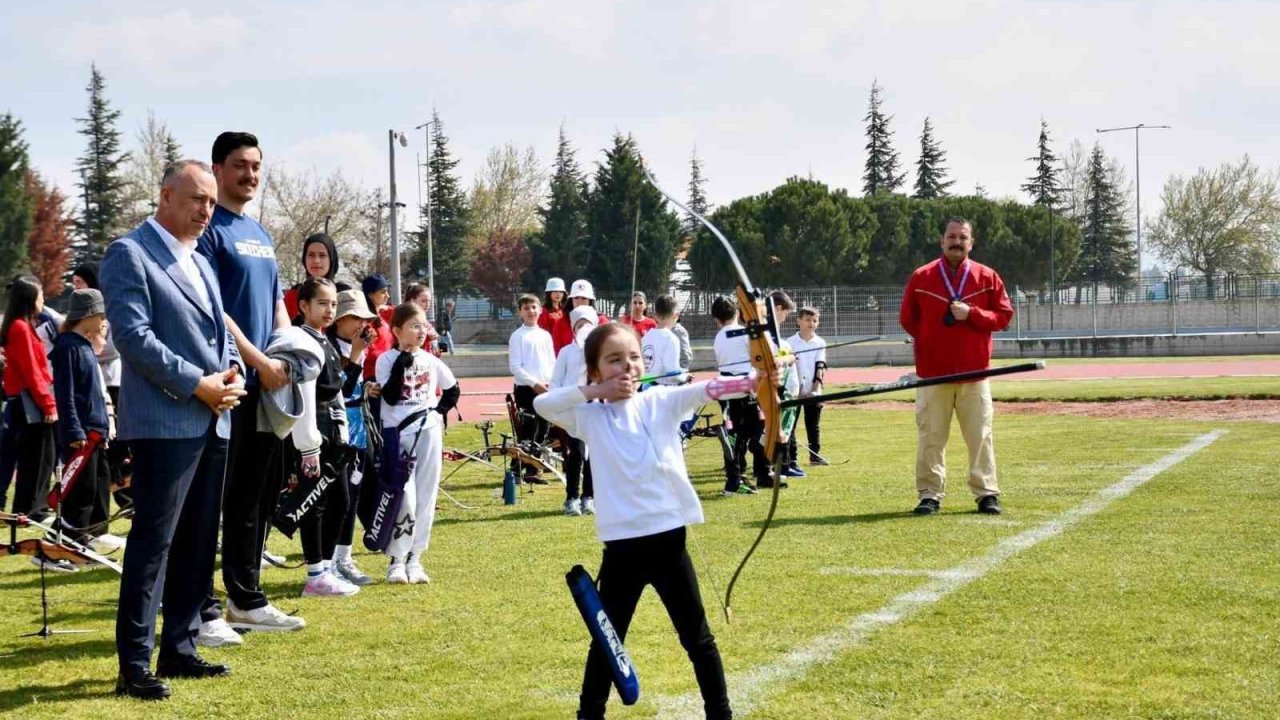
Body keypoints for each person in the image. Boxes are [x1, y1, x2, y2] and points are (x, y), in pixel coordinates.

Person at [533, 323, 749, 720]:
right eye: (613, 360)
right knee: (607, 640)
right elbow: (543, 406)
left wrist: (760, 378)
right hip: (623, 548)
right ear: (595, 370)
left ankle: (721, 714)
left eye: (633, 357)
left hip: (669, 540)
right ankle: (589, 713)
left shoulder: (660, 401)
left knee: (697, 639)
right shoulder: (588, 417)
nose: (627, 367)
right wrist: (597, 392)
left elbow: (710, 389)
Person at [105, 159, 246, 700]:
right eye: (196, 200)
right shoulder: (130, 253)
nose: (206, 211)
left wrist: (230, 380)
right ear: (165, 196)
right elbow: (134, 339)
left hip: (215, 420)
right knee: (153, 545)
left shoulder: (202, 262)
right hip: (167, 422)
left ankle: (181, 649)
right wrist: (197, 385)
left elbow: (221, 333)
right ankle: (134, 664)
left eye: (211, 202)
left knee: (196, 541)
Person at [196, 131, 301, 646]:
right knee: (214, 498)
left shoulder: (258, 231)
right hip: (231, 383)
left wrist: (283, 350)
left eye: (257, 165)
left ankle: (247, 598)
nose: (251, 174)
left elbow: (276, 300)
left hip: (268, 384)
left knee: (253, 498)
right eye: (240, 165)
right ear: (218, 170)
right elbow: (217, 310)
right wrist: (257, 360)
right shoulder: (209, 229)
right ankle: (201, 607)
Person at [899, 218, 1014, 516]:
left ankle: (986, 493)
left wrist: (972, 314)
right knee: (931, 437)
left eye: (963, 237)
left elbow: (1003, 316)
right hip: (933, 376)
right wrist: (931, 342)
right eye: (951, 236)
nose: (956, 242)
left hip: (974, 374)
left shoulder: (987, 277)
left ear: (971, 243)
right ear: (941, 241)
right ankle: (929, 494)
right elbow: (907, 319)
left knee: (980, 437)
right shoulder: (922, 277)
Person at [279, 278, 363, 597]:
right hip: (312, 433)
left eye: (333, 304)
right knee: (313, 502)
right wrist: (308, 446)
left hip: (331, 431)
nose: (329, 311)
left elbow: (336, 390)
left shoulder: (323, 339)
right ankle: (315, 573)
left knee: (340, 500)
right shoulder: (301, 340)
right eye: (322, 304)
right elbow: (304, 394)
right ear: (303, 306)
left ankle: (325, 568)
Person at [376, 302, 459, 584]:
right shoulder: (386, 360)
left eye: (424, 325)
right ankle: (396, 559)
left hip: (429, 433)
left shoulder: (432, 360)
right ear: (397, 330)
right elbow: (389, 395)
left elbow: (452, 389)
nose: (421, 331)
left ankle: (416, 558)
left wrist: (438, 412)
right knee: (404, 497)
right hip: (399, 434)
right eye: (414, 326)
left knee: (426, 496)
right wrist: (404, 359)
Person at [50, 289, 121, 552]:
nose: (105, 321)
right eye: (102, 315)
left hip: (95, 432)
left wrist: (103, 427)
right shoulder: (67, 346)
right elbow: (65, 394)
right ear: (89, 315)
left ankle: (87, 540)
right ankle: (63, 549)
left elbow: (95, 393)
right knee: (79, 493)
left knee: (95, 487)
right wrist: (74, 430)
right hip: (80, 435)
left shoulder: (85, 345)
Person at [326, 289, 377, 585]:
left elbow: (354, 387)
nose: (362, 324)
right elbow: (339, 392)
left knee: (354, 497)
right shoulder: (331, 347)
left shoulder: (354, 345)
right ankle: (328, 561)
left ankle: (344, 557)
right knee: (339, 500)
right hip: (338, 431)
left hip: (359, 428)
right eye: (355, 317)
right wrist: (356, 354)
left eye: (365, 318)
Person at [1, 276, 57, 526]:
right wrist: (48, 404)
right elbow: (32, 371)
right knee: (37, 456)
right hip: (29, 402)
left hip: (26, 399)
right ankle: (32, 508)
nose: (43, 299)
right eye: (40, 294)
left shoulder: (21, 326)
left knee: (33, 456)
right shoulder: (20, 328)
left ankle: (29, 506)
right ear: (29, 299)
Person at [549, 305, 598, 516]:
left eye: (587, 324)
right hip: (574, 411)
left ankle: (589, 497)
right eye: (579, 324)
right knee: (576, 454)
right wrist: (560, 404)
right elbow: (555, 382)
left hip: (596, 410)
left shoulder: (600, 353)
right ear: (573, 327)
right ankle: (571, 498)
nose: (583, 328)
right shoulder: (566, 352)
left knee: (593, 457)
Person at [711, 295, 762, 496]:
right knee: (742, 436)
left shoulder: (719, 336)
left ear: (717, 319)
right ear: (738, 313)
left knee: (734, 436)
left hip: (726, 393)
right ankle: (734, 481)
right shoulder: (743, 333)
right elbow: (757, 358)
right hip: (743, 392)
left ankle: (736, 477)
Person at [507, 294, 555, 485]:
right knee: (527, 429)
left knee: (542, 429)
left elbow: (551, 362)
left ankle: (533, 469)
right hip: (526, 389)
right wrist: (534, 384)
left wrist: (552, 382)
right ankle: (517, 468)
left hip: (545, 387)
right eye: (526, 308)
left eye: (534, 307)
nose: (530, 312)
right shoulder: (517, 336)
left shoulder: (545, 335)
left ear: (540, 309)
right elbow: (515, 367)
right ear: (520, 312)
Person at [787, 307, 828, 466]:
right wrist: (795, 390)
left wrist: (816, 390)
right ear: (798, 321)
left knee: (813, 425)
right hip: (794, 391)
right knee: (791, 426)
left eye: (814, 320)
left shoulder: (820, 342)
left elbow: (820, 366)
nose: (811, 323)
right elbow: (790, 367)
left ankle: (815, 456)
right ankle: (792, 458)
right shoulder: (789, 343)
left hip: (813, 390)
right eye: (807, 319)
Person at [283, 232, 347, 319]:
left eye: (322, 255)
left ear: (331, 259)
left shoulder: (344, 295)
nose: (316, 260)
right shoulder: (294, 295)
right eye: (311, 255)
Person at [641, 294, 686, 386]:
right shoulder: (671, 339)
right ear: (676, 315)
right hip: (663, 392)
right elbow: (673, 375)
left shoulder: (646, 337)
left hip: (646, 389)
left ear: (655, 316)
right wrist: (685, 376)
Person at [403, 283, 441, 356]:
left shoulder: (426, 321)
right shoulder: (407, 320)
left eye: (429, 301)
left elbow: (437, 351)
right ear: (412, 301)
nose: (427, 304)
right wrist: (426, 336)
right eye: (423, 301)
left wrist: (435, 343)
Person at [539, 277, 574, 354]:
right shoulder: (543, 312)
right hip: (550, 348)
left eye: (561, 292)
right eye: (555, 291)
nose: (558, 294)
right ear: (549, 293)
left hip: (565, 347)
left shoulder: (565, 311)